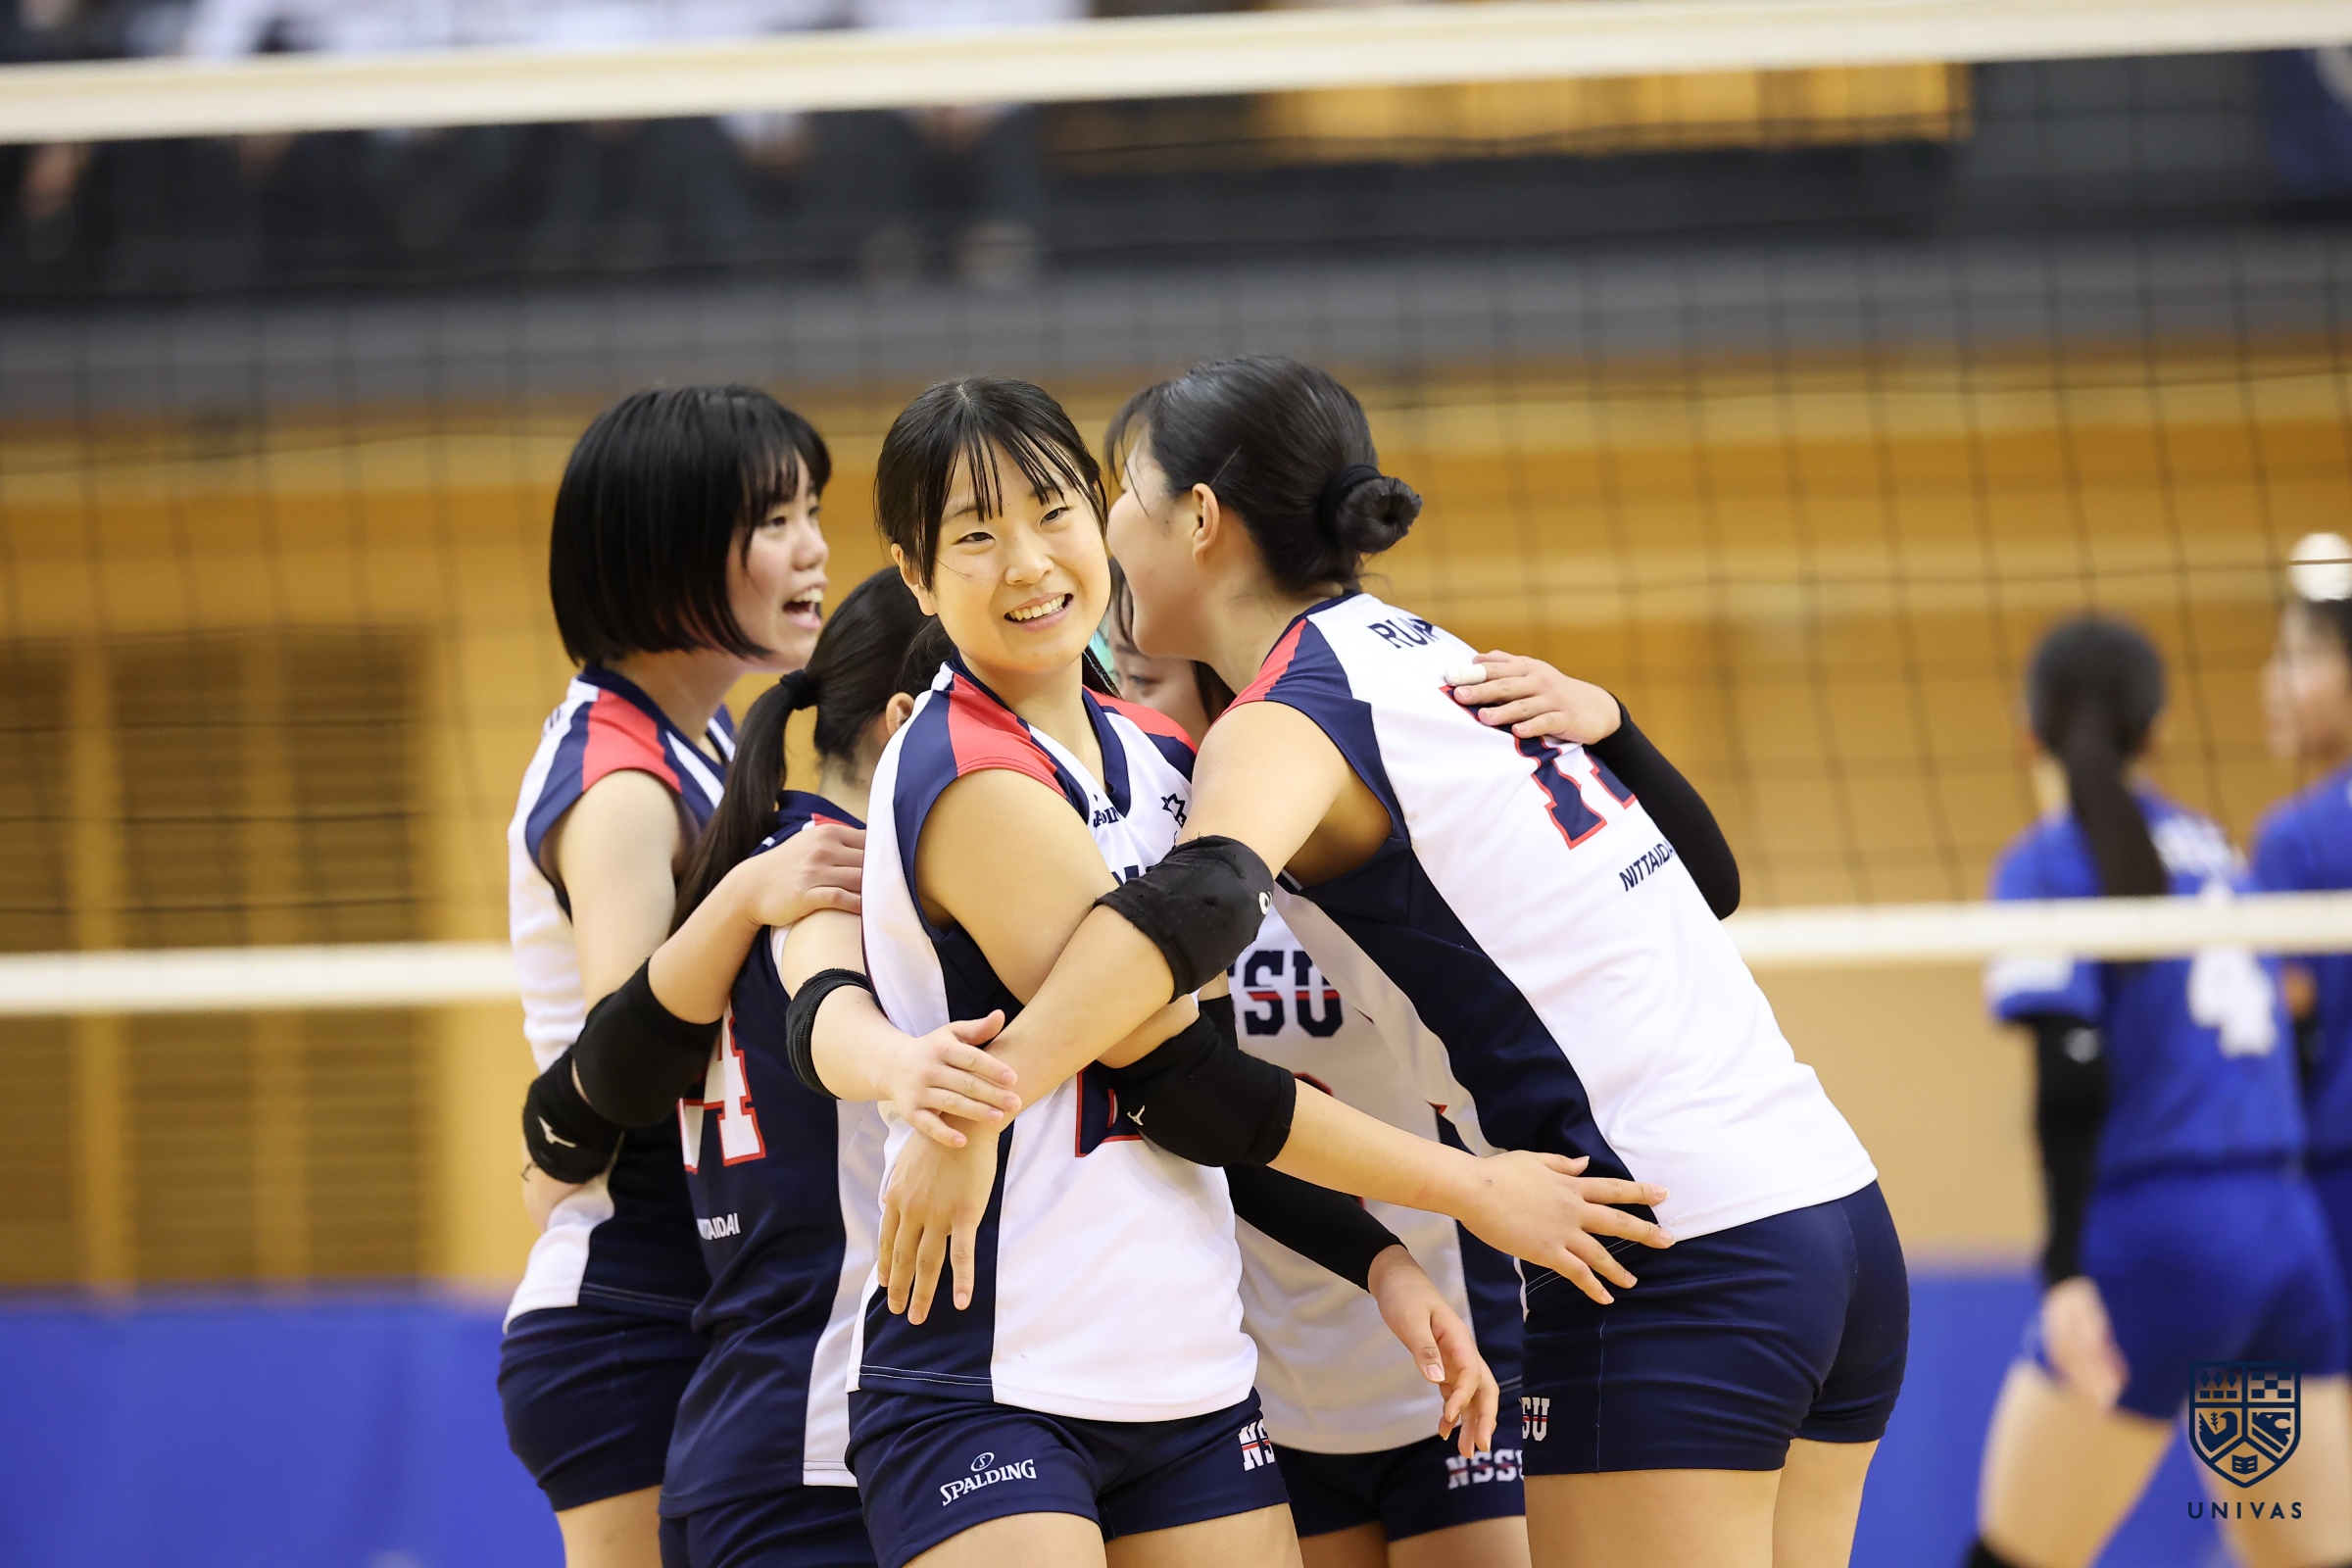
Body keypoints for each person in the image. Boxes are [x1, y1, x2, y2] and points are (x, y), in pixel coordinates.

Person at [878, 355, 1900, 1568]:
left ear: (1197, 518)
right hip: (1830, 1210)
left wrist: (983, 1097)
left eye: (1110, 497)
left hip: (1662, 1237)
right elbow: (1710, 884)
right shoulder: (1429, 655)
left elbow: (1203, 902)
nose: (1092, 535)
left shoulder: (1287, 710)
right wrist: (1619, 726)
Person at [503, 385, 862, 1568]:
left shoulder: (701, 742)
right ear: (665, 550)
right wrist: (750, 898)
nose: (813, 549)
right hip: (630, 1309)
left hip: (700, 1297)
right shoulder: (620, 782)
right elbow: (631, 1055)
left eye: (812, 512)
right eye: (773, 521)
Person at [1107, 594, 1535, 1568]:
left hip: (1456, 1350)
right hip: (1279, 1382)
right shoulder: (1151, 898)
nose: (1127, 711)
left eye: (1144, 682)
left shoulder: (1347, 858)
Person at [1968, 613, 2352, 1568]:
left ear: (2026, 727)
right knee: (2305, 1556)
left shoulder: (2050, 859)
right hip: (2284, 1242)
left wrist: (2066, 1272)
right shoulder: (2221, 854)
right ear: (2161, 727)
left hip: (2164, 1245)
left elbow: (2071, 1069)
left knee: (2015, 1556)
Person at [2255, 534, 2352, 1388]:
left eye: (2298, 657)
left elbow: (2285, 1021)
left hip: (2331, 1175)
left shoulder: (2297, 837)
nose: (2270, 682)